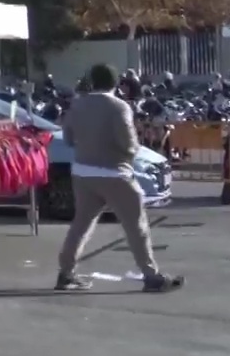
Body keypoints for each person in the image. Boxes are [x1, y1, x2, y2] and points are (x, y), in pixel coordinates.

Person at [56, 63, 184, 293]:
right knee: (136, 226)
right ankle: (151, 276)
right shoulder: (118, 107)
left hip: (83, 173)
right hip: (115, 173)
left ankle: (66, 273)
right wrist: (129, 153)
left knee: (81, 224)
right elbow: (128, 144)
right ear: (115, 83)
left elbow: (67, 139)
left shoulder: (77, 104)